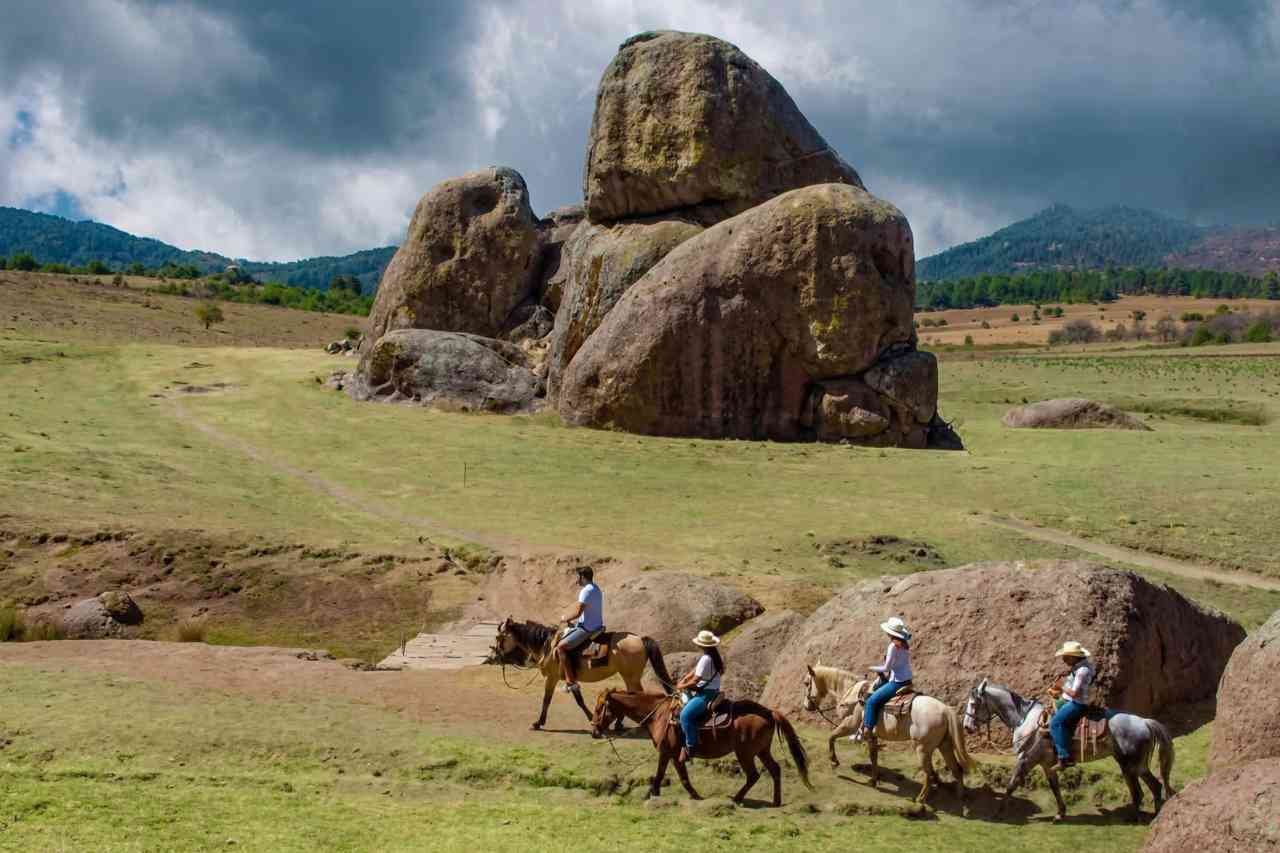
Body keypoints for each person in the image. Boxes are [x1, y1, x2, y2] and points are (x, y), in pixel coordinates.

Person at [856, 616, 913, 742]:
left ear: (890, 632)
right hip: (907, 679)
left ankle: (867, 731)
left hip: (897, 682)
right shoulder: (904, 645)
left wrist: (872, 668)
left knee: (871, 701)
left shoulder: (893, 646)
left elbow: (887, 667)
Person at [676, 630, 723, 763]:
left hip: (706, 694)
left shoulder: (706, 658)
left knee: (684, 715)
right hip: (713, 690)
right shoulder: (715, 656)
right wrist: (684, 679)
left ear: (702, 645)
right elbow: (695, 671)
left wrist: (682, 686)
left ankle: (691, 746)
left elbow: (696, 679)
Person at [555, 566, 603, 694]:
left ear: (582, 577)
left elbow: (578, 612)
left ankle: (571, 682)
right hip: (596, 625)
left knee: (561, 647)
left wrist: (565, 618)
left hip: (587, 629)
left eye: (578, 577)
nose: (577, 580)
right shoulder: (596, 588)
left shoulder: (586, 591)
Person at [1049, 641, 1094, 769]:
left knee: (1055, 723)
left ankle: (1064, 758)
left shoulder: (1082, 671)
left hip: (1077, 704)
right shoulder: (1080, 667)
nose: (1063, 659)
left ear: (1074, 657)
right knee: (1051, 709)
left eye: (1066, 657)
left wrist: (1060, 686)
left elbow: (1074, 693)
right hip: (1071, 700)